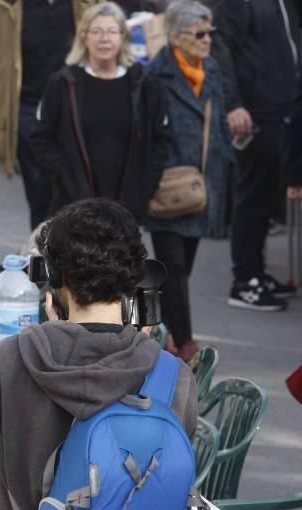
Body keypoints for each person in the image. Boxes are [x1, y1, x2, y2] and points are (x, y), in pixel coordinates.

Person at [0, 198, 198, 510]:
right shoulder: (173, 376)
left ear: (55, 275)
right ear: (134, 277)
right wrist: (141, 346)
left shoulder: (5, 360)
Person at [0, 0, 103, 230]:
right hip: (27, 111)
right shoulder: (5, 7)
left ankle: (68, 257)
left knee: (76, 194)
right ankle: (42, 256)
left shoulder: (86, 5)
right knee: (40, 196)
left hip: (76, 113)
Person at [142, 0, 232, 362]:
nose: (207, 39)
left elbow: (220, 123)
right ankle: (185, 342)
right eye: (200, 33)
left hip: (200, 184)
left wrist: (226, 167)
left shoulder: (211, 69)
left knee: (179, 271)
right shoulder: (156, 74)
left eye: (210, 32)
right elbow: (145, 131)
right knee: (173, 265)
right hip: (166, 185)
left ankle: (156, 330)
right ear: (177, 36)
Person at [29, 1, 172, 220]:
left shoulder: (144, 84)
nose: (104, 39)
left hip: (126, 209)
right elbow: (40, 138)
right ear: (84, 37)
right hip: (73, 207)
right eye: (96, 31)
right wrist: (63, 176)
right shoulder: (63, 83)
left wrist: (146, 185)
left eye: (111, 31)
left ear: (123, 36)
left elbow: (162, 140)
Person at [211, 0, 300, 310]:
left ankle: (257, 273)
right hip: (256, 110)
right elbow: (221, 53)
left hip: (284, 107)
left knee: (265, 196)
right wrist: (233, 104)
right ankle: (245, 280)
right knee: (253, 194)